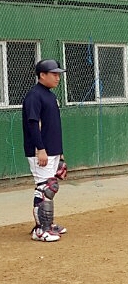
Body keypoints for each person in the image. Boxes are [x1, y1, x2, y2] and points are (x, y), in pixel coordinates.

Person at [22, 59, 69, 242]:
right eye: (54, 74)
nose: (58, 78)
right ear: (42, 75)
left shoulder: (49, 95)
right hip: (41, 151)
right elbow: (33, 125)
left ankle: (47, 224)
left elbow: (53, 126)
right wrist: (40, 149)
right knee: (45, 188)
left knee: (50, 187)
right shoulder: (34, 96)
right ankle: (40, 230)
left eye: (58, 74)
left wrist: (60, 152)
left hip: (52, 149)